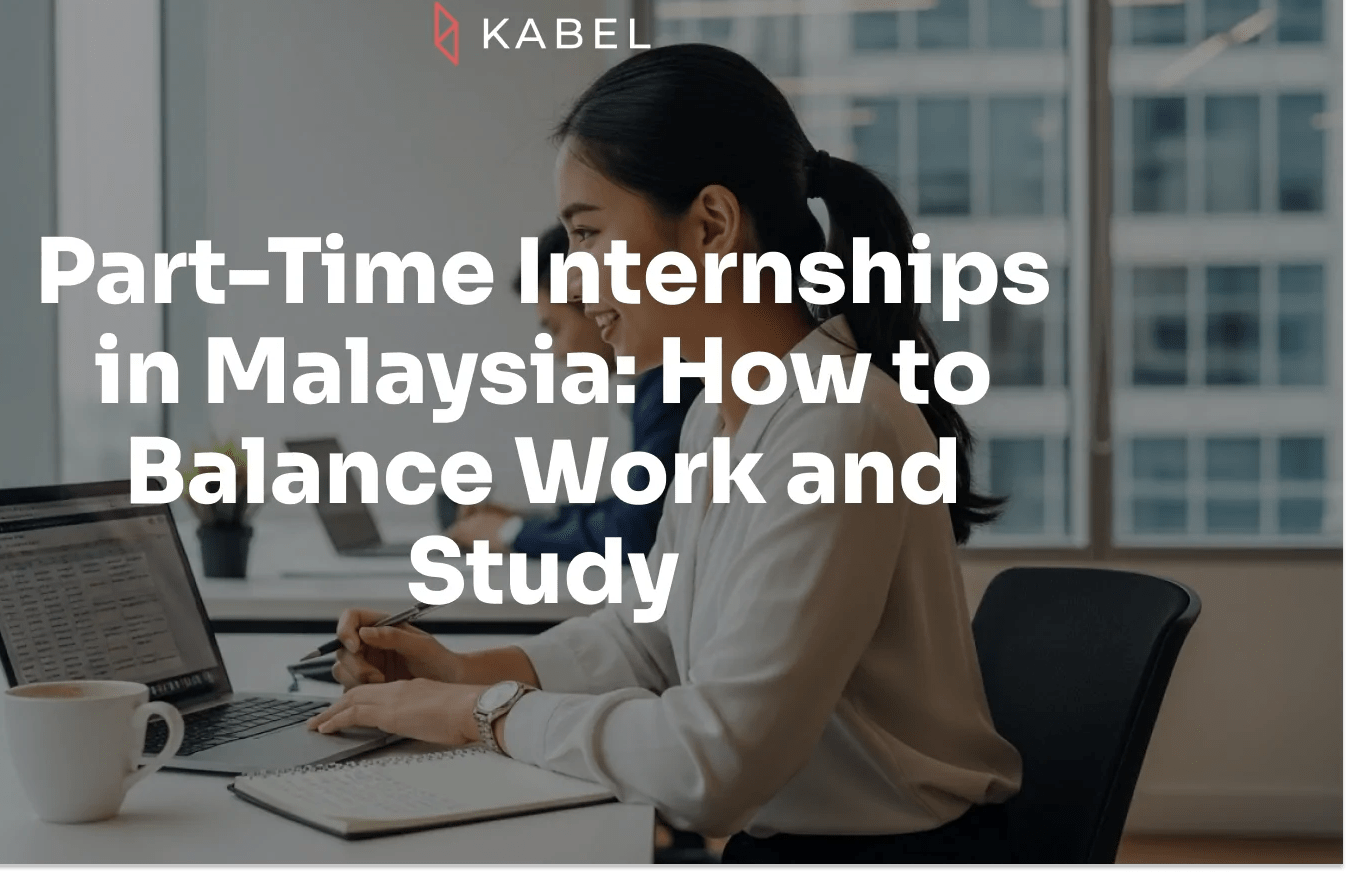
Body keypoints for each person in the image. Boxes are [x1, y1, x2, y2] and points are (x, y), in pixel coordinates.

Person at [308, 44, 1022, 865]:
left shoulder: (836, 424)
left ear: (711, 225)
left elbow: (713, 762)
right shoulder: (723, 417)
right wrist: (464, 671)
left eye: (588, 235)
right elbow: (651, 641)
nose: (576, 280)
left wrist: (476, 715)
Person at [446, 223, 703, 559]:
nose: (556, 351)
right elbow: (636, 507)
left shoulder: (672, 382)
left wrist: (509, 533)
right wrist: (529, 524)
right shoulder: (656, 383)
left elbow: (637, 530)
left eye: (555, 328)